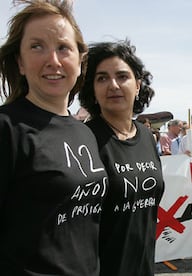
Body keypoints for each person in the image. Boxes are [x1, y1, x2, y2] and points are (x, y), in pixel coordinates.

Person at [0, 1, 108, 275]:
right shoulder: (7, 128)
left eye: (63, 47)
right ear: (20, 63)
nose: (53, 60)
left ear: (80, 61)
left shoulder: (84, 131)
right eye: (37, 46)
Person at [78, 40, 164, 275]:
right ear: (92, 90)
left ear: (137, 85)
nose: (113, 85)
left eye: (122, 76)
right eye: (102, 78)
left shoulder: (147, 137)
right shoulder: (84, 140)